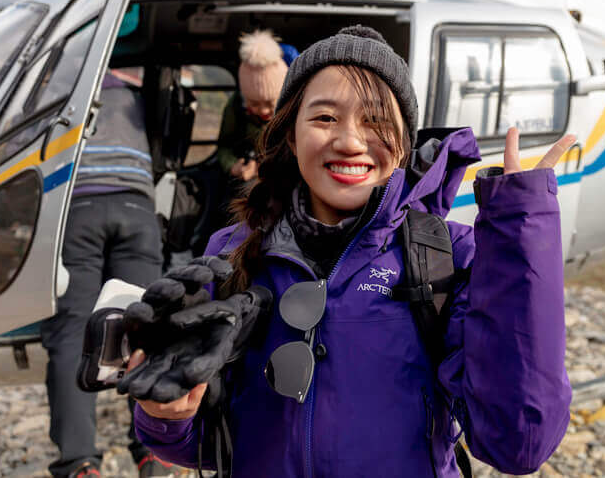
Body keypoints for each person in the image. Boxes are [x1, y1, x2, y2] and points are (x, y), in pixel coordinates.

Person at [128, 26, 574, 476]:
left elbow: (517, 442)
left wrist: (521, 228)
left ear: (404, 146)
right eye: (324, 118)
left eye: (377, 121)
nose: (351, 140)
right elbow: (212, 444)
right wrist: (169, 416)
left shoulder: (445, 255)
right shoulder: (234, 250)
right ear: (290, 134)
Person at [40, 72, 172, 478]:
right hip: (136, 209)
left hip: (77, 210)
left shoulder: (55, 89)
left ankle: (79, 463)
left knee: (72, 332)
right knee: (145, 329)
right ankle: (154, 453)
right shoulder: (131, 94)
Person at [214, 29, 295, 183]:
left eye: (271, 102)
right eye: (254, 103)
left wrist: (265, 170)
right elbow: (224, 147)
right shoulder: (236, 107)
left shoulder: (296, 111)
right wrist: (233, 166)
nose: (263, 110)